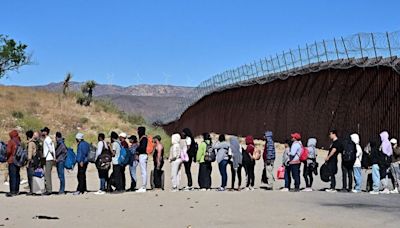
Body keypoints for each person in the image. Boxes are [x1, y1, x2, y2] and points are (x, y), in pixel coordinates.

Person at [6, 130, 21, 197]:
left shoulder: (11, 141)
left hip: (11, 160)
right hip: (18, 161)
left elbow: (8, 151)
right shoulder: (19, 141)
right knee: (17, 175)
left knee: (12, 176)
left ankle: (12, 191)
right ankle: (17, 190)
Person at [41, 127, 55, 195]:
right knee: (47, 174)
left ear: (46, 132)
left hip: (48, 158)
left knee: (47, 175)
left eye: (43, 131)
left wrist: (53, 156)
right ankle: (48, 189)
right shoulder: (47, 139)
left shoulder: (47, 139)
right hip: (48, 158)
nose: (42, 132)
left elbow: (51, 149)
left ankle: (49, 190)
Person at [136, 126, 148, 193]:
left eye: (138, 130)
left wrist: (137, 149)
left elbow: (143, 148)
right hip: (142, 155)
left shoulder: (143, 139)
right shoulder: (143, 138)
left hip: (143, 155)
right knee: (143, 171)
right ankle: (143, 186)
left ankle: (144, 186)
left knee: (143, 171)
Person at [26, 130, 37, 195]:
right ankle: (34, 189)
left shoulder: (30, 143)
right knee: (33, 176)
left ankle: (32, 190)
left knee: (30, 176)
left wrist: (28, 161)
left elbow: (30, 153)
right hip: (35, 160)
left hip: (31, 161)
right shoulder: (34, 142)